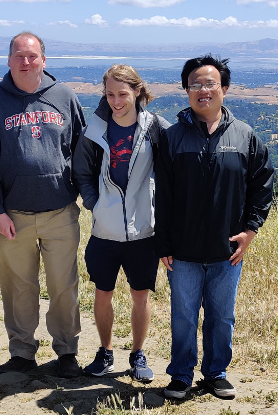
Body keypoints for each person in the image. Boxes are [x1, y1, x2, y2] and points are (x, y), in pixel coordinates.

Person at [155, 54, 275, 400]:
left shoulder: (245, 136)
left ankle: (215, 373)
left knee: (222, 318)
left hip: (227, 251)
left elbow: (262, 185)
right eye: (195, 84)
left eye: (210, 83)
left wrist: (250, 230)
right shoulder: (172, 138)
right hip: (183, 250)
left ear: (224, 89)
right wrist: (162, 244)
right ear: (186, 91)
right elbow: (161, 194)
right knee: (183, 318)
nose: (202, 90)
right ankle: (180, 376)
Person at [0, 31, 86, 378]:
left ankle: (67, 351)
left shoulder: (64, 96)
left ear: (44, 59)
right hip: (14, 215)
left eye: (32, 56)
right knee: (18, 288)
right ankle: (22, 353)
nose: (26, 62)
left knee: (63, 287)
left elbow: (82, 149)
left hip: (60, 212)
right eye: (19, 56)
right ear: (9, 60)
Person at [72, 64, 167, 382]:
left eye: (122, 94)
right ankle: (105, 352)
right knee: (103, 293)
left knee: (141, 295)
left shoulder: (155, 127)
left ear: (138, 91)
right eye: (110, 94)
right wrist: (95, 204)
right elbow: (82, 173)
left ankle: (138, 355)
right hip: (105, 230)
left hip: (143, 231)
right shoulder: (95, 129)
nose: (116, 100)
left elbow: (173, 170)